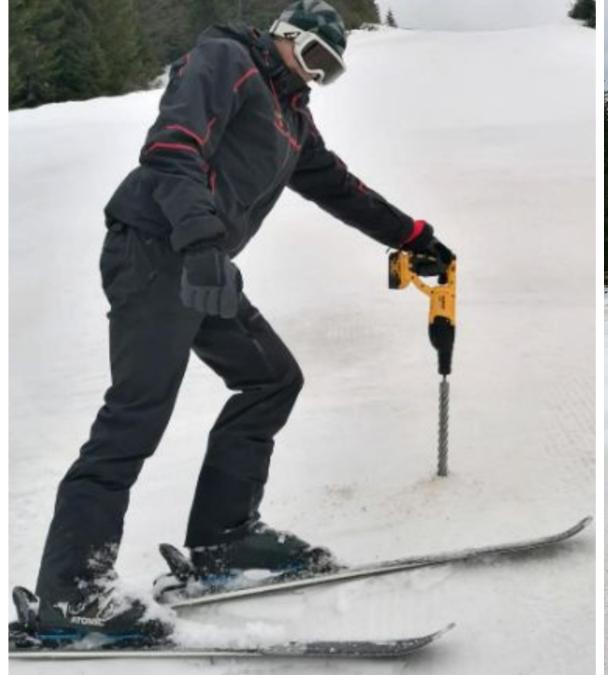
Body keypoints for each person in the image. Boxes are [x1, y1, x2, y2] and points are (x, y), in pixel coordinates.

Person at [32, 0, 453, 642]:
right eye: (313, 57)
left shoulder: (292, 119)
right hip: (156, 249)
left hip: (202, 266)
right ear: (284, 36)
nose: (315, 76)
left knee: (271, 379)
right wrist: (202, 245)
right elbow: (172, 147)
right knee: (135, 417)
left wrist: (414, 235)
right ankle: (71, 595)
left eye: (330, 71)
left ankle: (222, 541)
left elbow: (339, 187)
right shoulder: (226, 59)